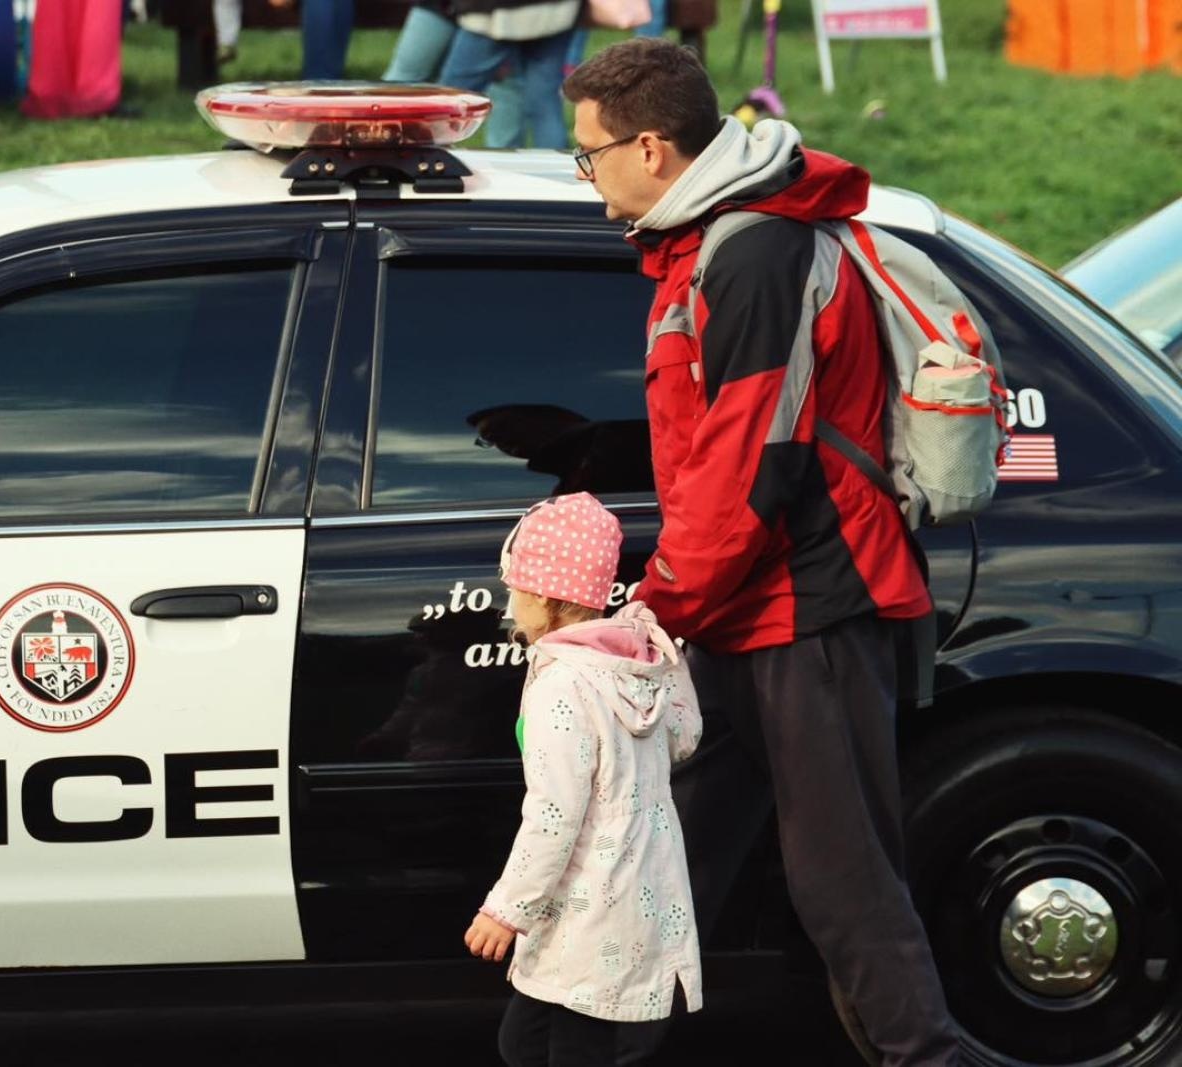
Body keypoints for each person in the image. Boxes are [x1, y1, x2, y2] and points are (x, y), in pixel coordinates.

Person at [562, 38, 961, 1066]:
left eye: (587, 153)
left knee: (843, 884)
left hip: (805, 613)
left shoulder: (752, 254)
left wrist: (657, 605)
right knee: (662, 863)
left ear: (650, 148)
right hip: (750, 617)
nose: (585, 172)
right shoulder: (712, 245)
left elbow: (750, 469)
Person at [464, 492, 703, 1067]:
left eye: (513, 590)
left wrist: (505, 909)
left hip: (587, 909)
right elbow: (685, 737)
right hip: (634, 893)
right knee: (527, 1045)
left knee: (560, 1051)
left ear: (543, 597)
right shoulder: (635, 666)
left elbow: (553, 815)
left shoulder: (561, 686)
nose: (509, 604)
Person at [437, 0, 580, 150]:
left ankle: (427, 162)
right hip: (555, 13)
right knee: (544, 101)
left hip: (494, 13)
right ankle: (559, 168)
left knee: (449, 98)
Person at [382, 0, 526, 147]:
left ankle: (501, 159)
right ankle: (384, 145)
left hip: (489, 12)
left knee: (503, 84)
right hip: (448, 9)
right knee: (401, 84)